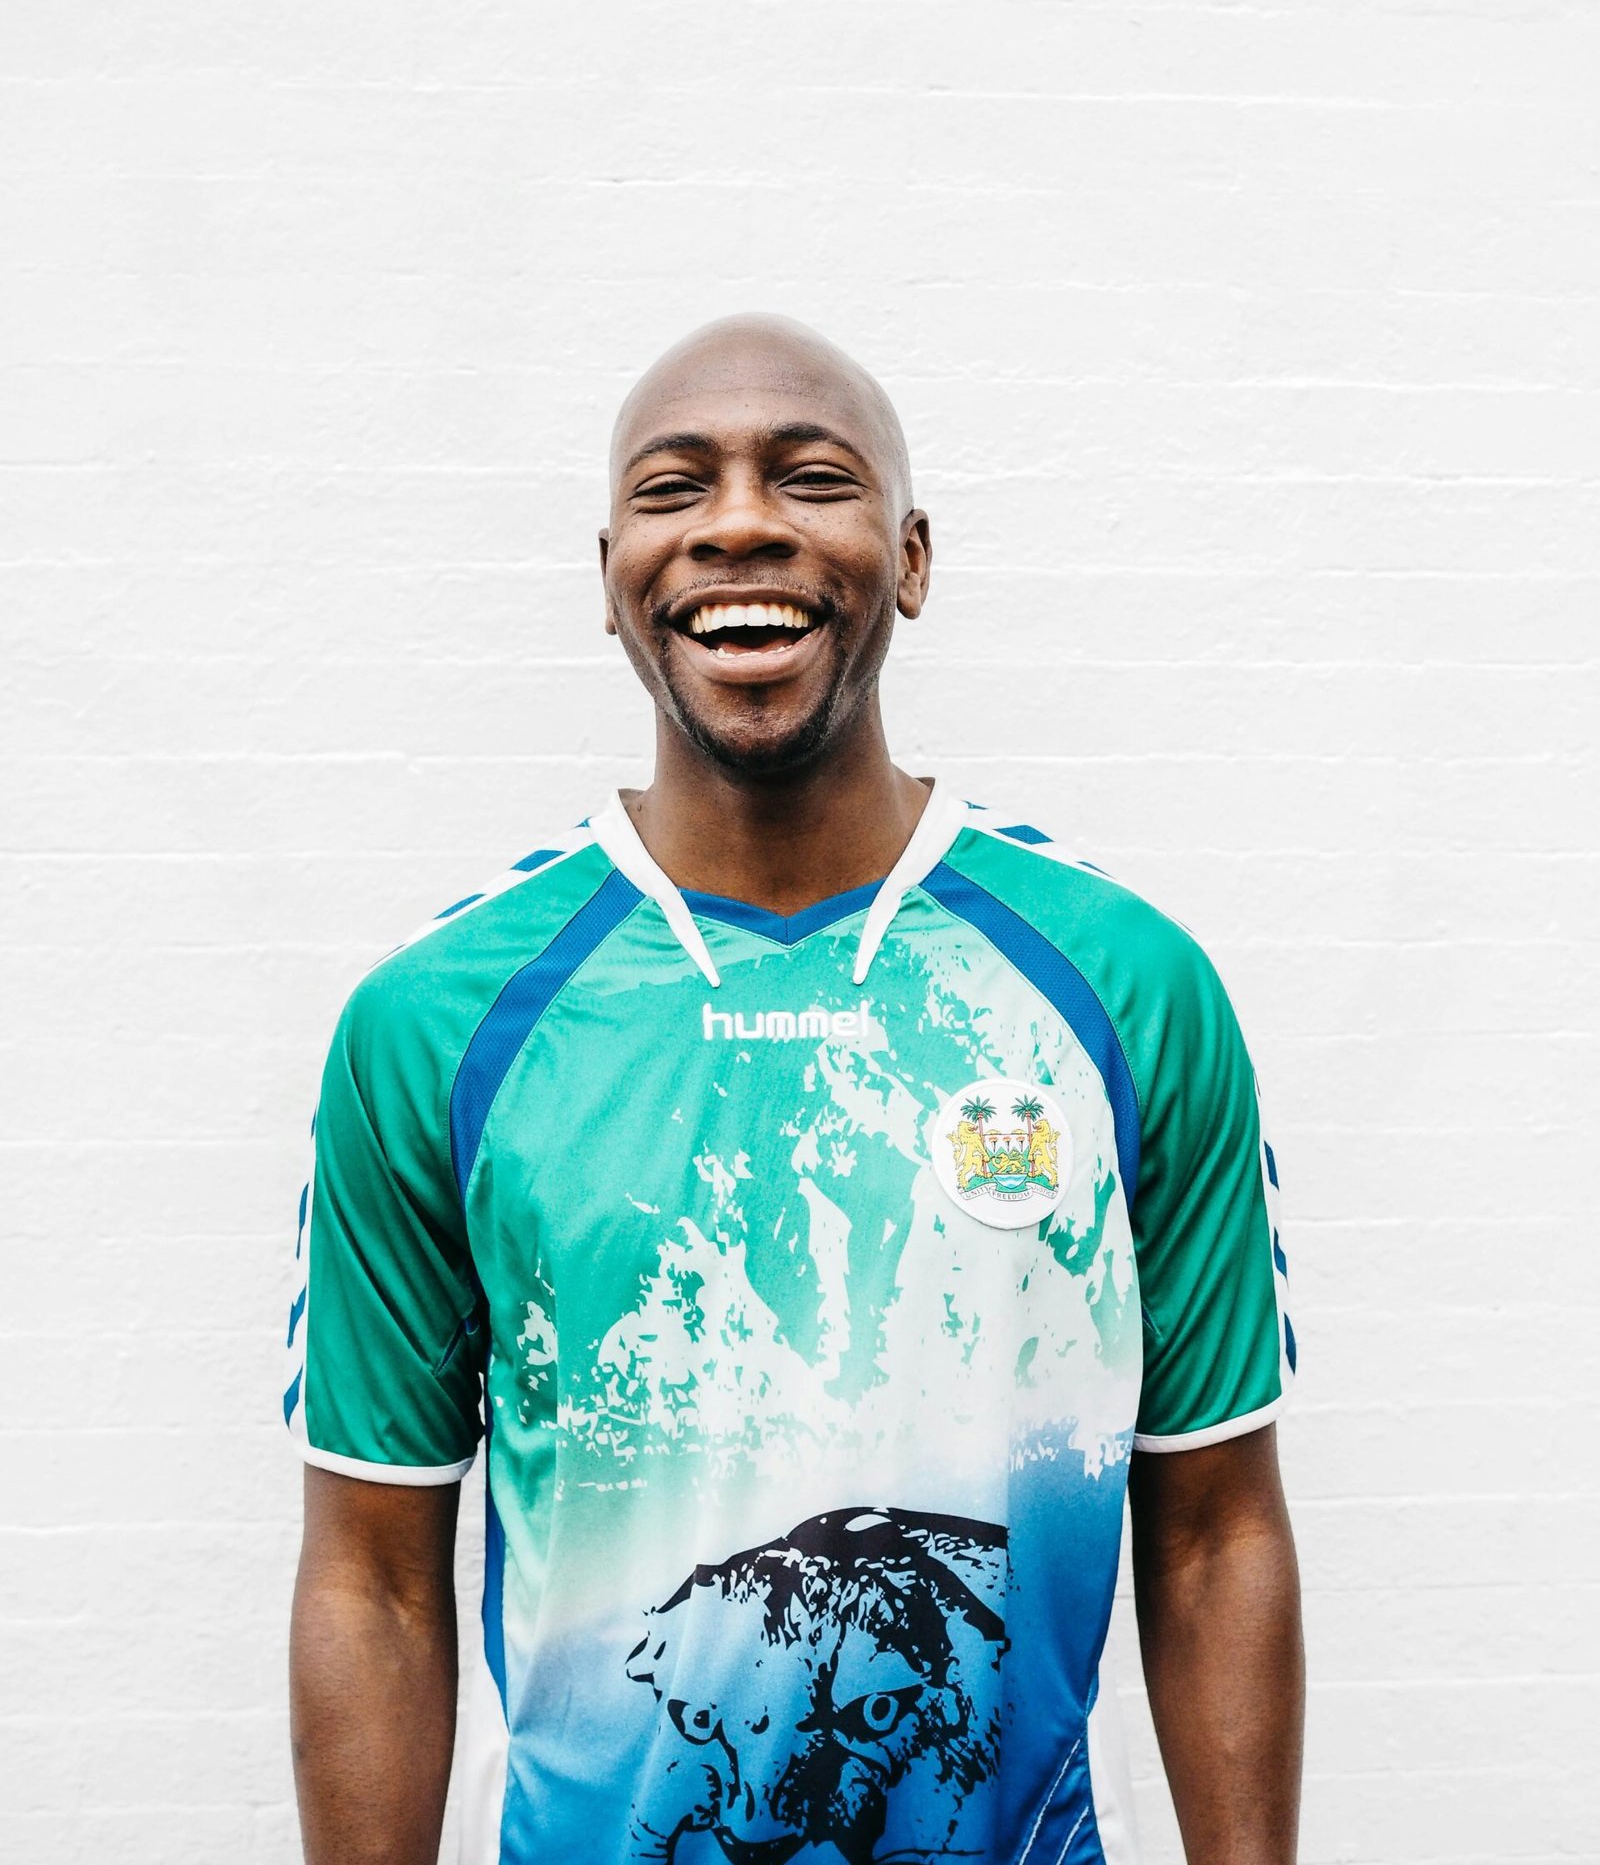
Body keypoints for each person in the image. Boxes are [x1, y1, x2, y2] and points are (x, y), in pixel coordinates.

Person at [285, 314, 1304, 1865]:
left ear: (908, 557)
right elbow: (376, 1573)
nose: (740, 521)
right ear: (614, 573)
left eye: (810, 477)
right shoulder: (440, 1022)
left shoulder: (1123, 986)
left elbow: (1219, 1527)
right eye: (675, 485)